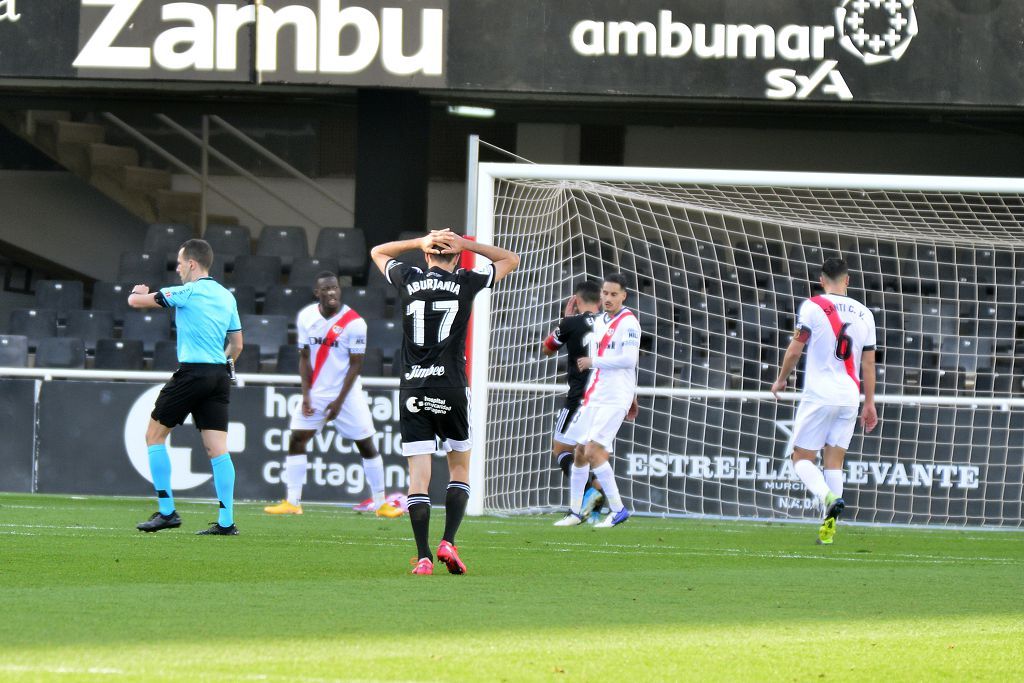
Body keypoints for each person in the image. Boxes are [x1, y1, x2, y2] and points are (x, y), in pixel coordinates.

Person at [370, 228, 520, 575]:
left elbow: (378, 250)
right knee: (459, 469)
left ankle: (422, 557)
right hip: (450, 388)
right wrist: (466, 245)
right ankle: (448, 541)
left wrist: (417, 241)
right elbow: (511, 259)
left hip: (413, 389)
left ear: (426, 255)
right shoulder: (468, 281)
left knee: (418, 478)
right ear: (456, 257)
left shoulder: (407, 278)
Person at [264, 272, 402, 519]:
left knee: (366, 444)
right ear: (317, 293)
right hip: (317, 391)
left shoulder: (355, 322)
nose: (331, 293)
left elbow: (356, 364)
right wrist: (306, 395)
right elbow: (304, 358)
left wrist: (338, 402)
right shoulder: (306, 317)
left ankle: (381, 503)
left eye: (335, 288)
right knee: (297, 439)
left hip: (347, 395)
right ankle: (293, 501)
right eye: (326, 289)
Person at [129, 238, 243, 535]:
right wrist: (227, 363)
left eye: (180, 263)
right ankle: (227, 521)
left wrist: (138, 292)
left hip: (192, 373)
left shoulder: (186, 291)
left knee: (154, 436)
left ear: (192, 263)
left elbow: (136, 302)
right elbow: (237, 344)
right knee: (218, 450)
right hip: (219, 376)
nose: (177, 268)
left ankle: (167, 512)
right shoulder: (226, 297)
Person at [771, 256, 878, 545]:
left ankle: (826, 497)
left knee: (801, 458)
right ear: (847, 280)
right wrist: (869, 402)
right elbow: (869, 364)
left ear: (821, 280)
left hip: (819, 394)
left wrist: (781, 379)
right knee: (834, 463)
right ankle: (828, 530)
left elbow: (795, 350)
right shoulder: (865, 314)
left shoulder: (813, 306)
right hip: (849, 396)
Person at [554, 273, 640, 529]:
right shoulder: (602, 321)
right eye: (605, 293)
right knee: (579, 451)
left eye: (614, 294)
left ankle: (618, 509)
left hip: (614, 397)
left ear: (623, 295)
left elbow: (629, 360)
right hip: (596, 394)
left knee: (593, 451)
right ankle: (575, 511)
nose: (608, 298)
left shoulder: (629, 322)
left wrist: (595, 362)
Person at [541, 279, 606, 520]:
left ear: (576, 302)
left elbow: (546, 349)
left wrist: (565, 322)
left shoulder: (570, 323)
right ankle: (597, 502)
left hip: (579, 398)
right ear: (600, 301)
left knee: (560, 449)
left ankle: (590, 494)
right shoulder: (611, 324)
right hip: (605, 396)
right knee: (595, 451)